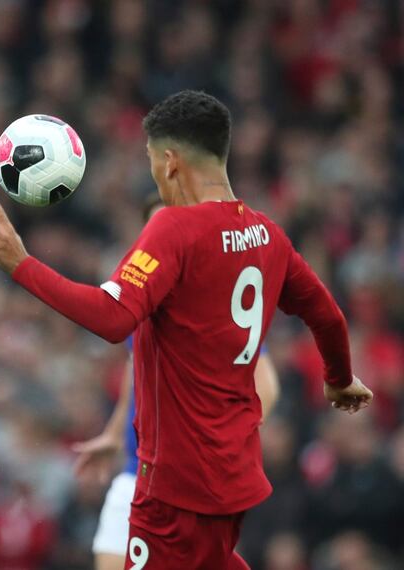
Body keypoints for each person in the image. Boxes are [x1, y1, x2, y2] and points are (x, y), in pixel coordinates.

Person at [0, 90, 373, 569]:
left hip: (176, 487)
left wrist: (22, 265)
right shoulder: (268, 234)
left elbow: (111, 318)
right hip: (233, 476)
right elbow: (327, 315)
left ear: (171, 161)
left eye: (152, 162)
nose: (155, 175)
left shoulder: (175, 229)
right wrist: (340, 378)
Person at [73, 197, 280, 570]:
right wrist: (115, 433)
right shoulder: (143, 303)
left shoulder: (211, 307)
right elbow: (137, 370)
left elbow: (266, 383)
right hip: (134, 476)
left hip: (186, 489)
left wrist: (220, 444)